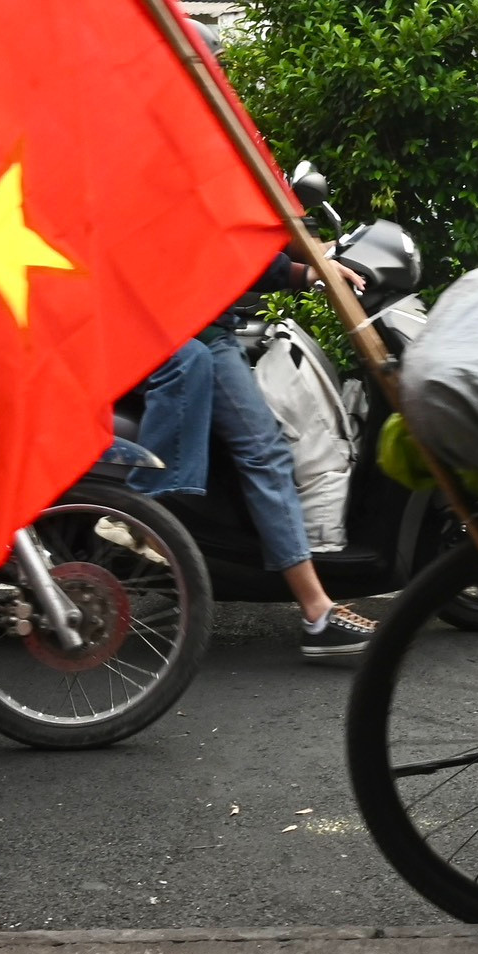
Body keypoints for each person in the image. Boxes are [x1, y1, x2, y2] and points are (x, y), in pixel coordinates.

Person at [125, 256, 375, 659]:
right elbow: (226, 241)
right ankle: (316, 610)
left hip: (186, 326)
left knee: (266, 451)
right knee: (266, 452)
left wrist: (307, 271)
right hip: (188, 330)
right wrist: (305, 270)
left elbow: (235, 246)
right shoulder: (182, 195)